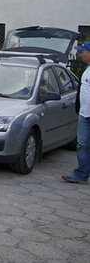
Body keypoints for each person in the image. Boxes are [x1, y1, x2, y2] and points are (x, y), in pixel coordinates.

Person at [62, 41, 90, 185]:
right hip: (85, 114)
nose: (80, 54)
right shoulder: (87, 69)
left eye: (83, 51)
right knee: (83, 144)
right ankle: (82, 174)